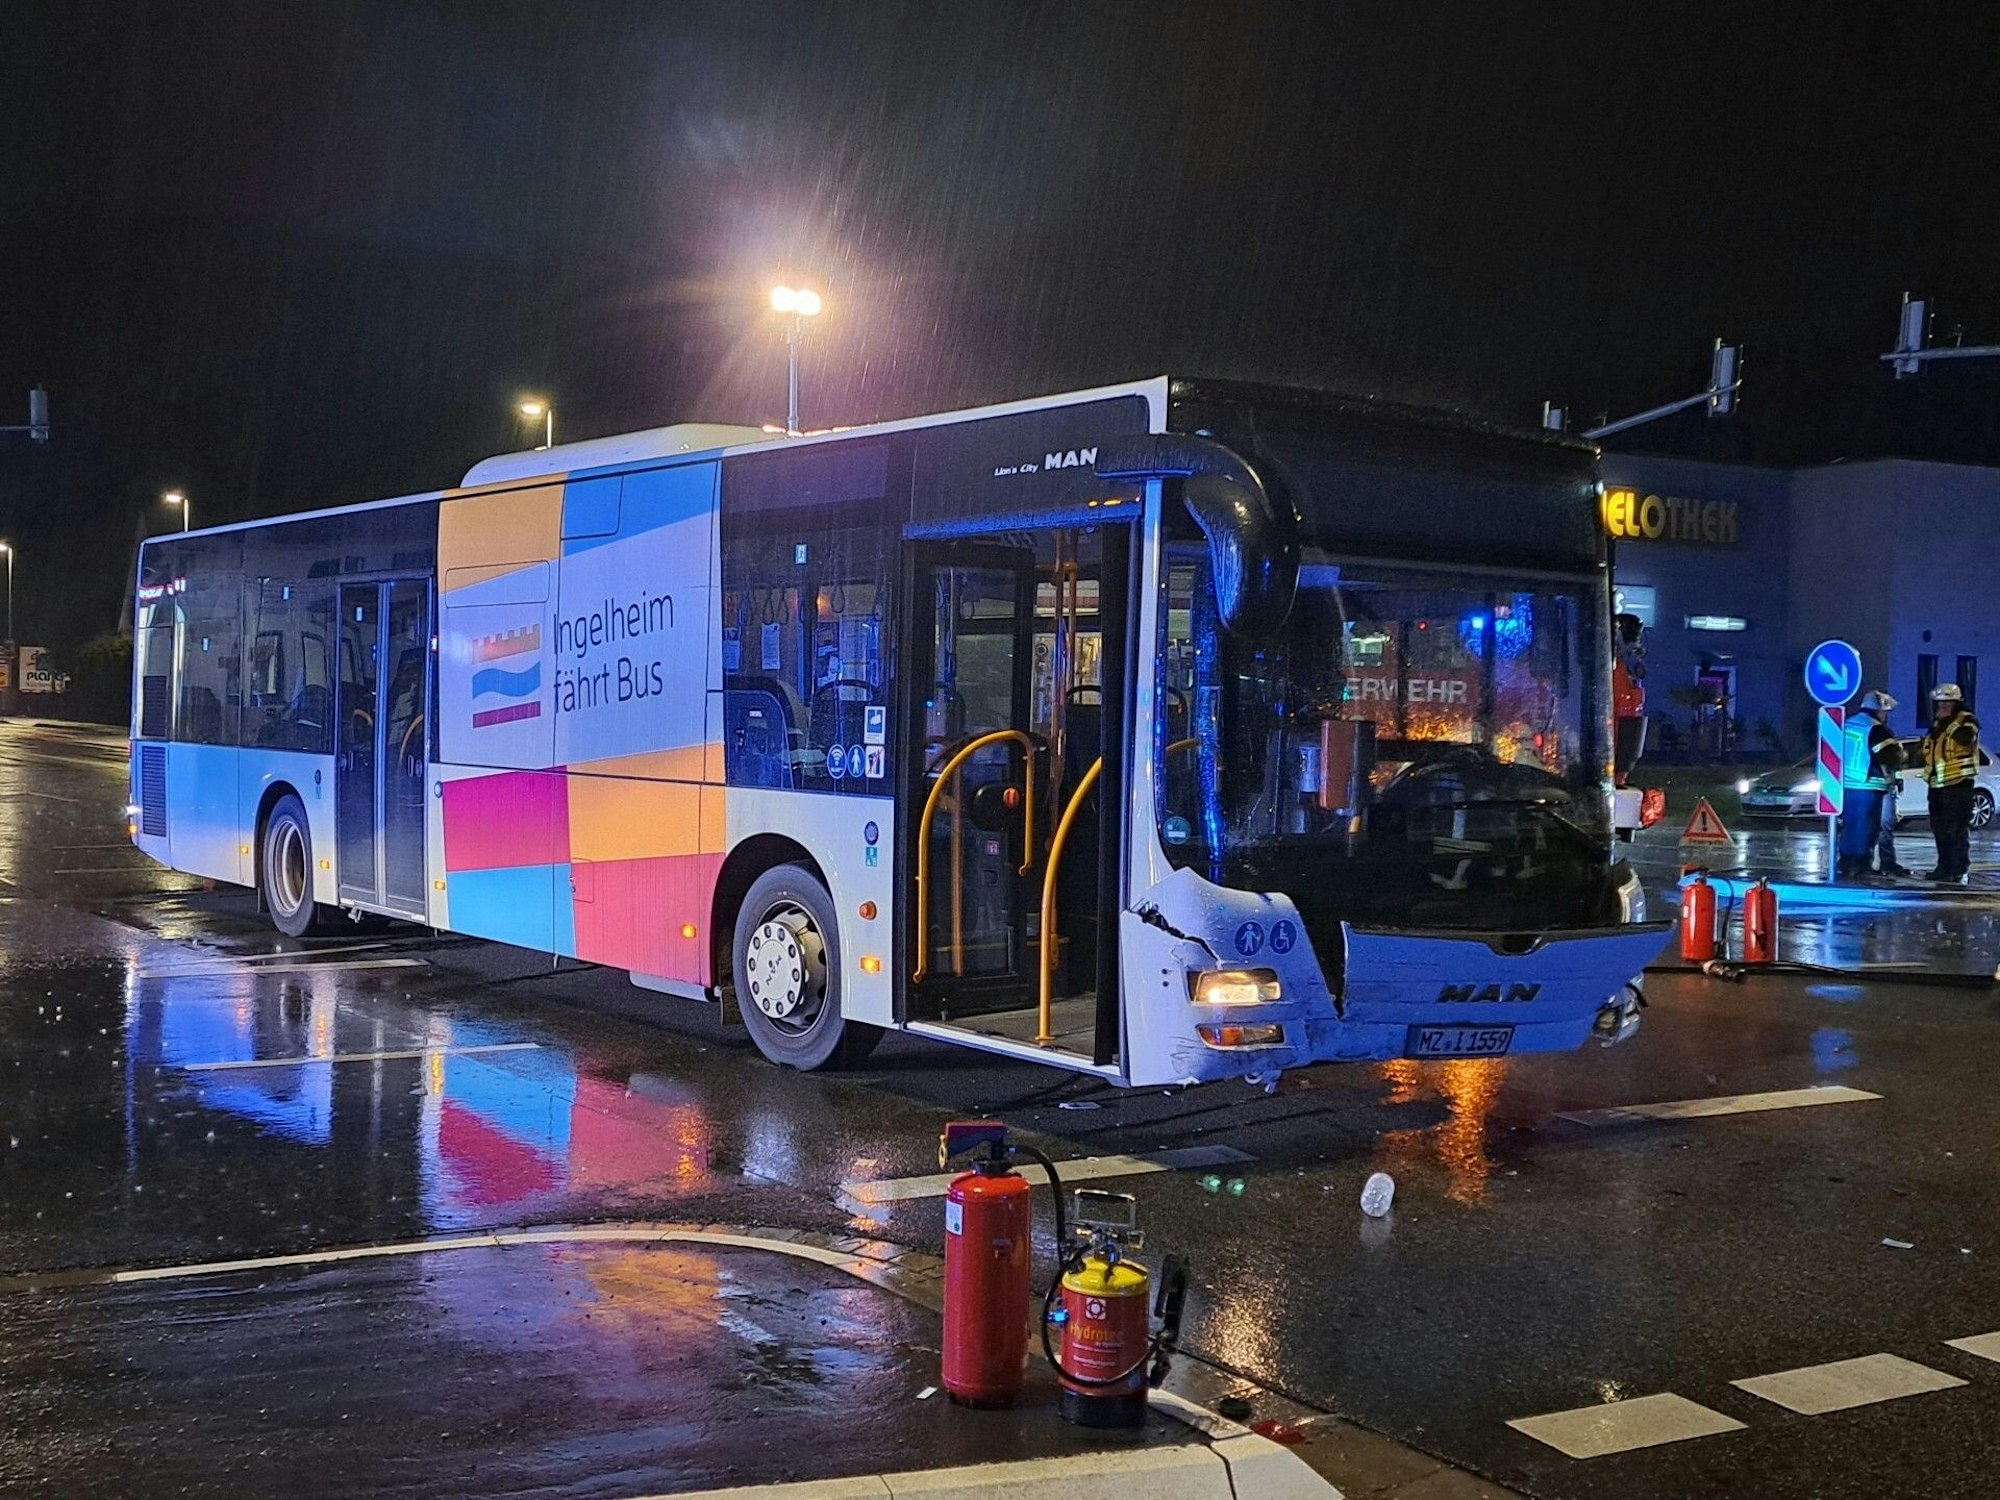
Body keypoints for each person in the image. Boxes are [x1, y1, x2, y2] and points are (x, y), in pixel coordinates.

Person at [1919, 682, 1981, 885]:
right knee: (1940, 829)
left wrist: (1949, 721)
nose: (1942, 707)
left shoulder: (1966, 721)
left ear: (1957, 703)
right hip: (1937, 785)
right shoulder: (1937, 725)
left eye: (1947, 703)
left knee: (1956, 830)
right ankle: (1943, 867)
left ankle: (1958, 869)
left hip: (1959, 785)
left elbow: (1965, 738)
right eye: (1940, 703)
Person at [1836, 690, 1902, 878]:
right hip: (1868, 785)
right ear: (1879, 710)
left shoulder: (1846, 724)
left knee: (1850, 826)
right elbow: (1890, 757)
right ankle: (1861, 866)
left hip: (1847, 785)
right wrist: (1901, 757)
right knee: (1867, 828)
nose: (1886, 716)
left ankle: (1846, 862)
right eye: (1885, 712)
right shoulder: (1876, 728)